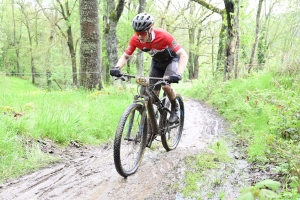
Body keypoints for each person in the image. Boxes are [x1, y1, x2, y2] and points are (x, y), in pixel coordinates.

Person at [110, 12, 188, 123]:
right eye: (137, 32)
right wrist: (117, 67)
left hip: (171, 61)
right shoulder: (135, 40)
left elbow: (183, 55)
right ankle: (154, 124)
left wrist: (178, 74)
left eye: (142, 33)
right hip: (156, 63)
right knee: (152, 96)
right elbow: (126, 56)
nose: (139, 36)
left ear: (150, 30)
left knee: (165, 86)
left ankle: (175, 108)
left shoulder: (163, 35)